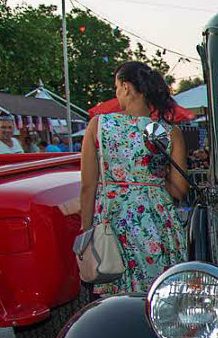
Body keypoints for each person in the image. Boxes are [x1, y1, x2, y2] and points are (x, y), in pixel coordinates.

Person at [79, 61, 188, 295]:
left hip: (115, 221)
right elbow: (180, 190)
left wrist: (85, 231)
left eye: (117, 87)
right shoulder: (170, 132)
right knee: (162, 294)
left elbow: (88, 186)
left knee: (118, 298)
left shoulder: (98, 126)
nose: (117, 93)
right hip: (159, 222)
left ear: (126, 87)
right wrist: (154, 178)